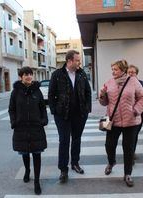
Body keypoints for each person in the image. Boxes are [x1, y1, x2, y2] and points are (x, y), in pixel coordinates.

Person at [99, 59, 143, 187]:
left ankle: (127, 174)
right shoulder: (109, 83)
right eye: (112, 69)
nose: (113, 72)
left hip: (131, 121)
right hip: (113, 120)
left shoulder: (133, 81)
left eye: (115, 69)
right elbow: (104, 103)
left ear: (123, 70)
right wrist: (102, 95)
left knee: (128, 148)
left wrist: (136, 110)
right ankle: (111, 162)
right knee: (109, 145)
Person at [48, 50, 92, 183]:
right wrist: (55, 111)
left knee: (76, 139)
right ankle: (63, 169)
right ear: (69, 61)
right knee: (64, 141)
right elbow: (51, 95)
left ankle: (75, 163)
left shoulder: (81, 74)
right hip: (63, 115)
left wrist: (87, 109)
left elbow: (88, 92)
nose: (80, 62)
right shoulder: (57, 74)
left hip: (79, 114)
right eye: (77, 60)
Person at [8, 67, 48, 195]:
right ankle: (27, 170)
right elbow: (11, 109)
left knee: (37, 154)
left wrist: (43, 120)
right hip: (21, 127)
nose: (29, 76)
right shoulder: (15, 92)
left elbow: (43, 107)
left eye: (30, 74)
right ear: (21, 76)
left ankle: (37, 182)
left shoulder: (37, 91)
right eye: (26, 74)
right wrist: (14, 122)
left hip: (36, 127)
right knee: (25, 153)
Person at [127, 65, 143, 163]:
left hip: (139, 115)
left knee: (134, 134)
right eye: (129, 72)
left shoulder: (141, 83)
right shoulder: (124, 84)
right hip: (127, 115)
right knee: (129, 135)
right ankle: (130, 154)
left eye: (133, 72)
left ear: (136, 74)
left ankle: (131, 153)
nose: (130, 74)